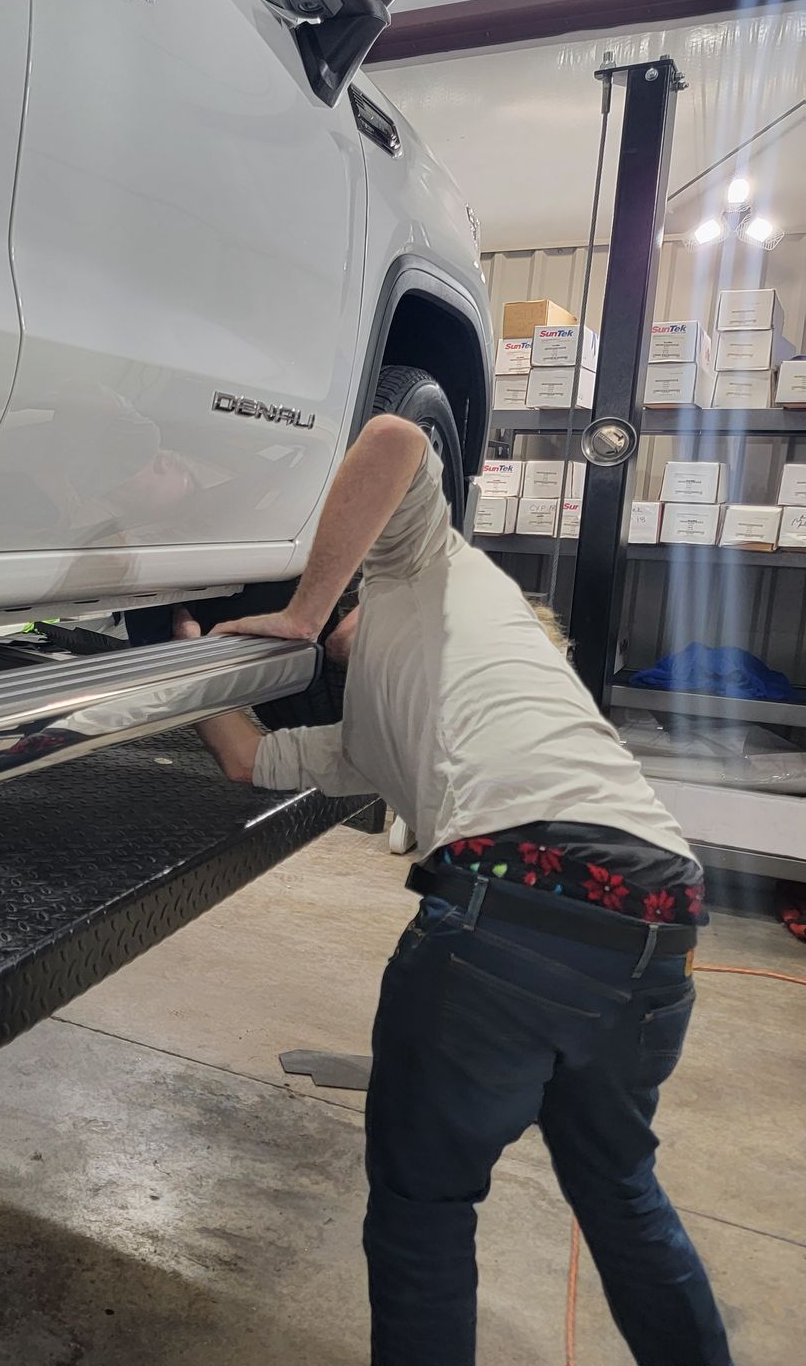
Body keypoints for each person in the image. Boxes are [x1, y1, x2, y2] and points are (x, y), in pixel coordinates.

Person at [176, 414, 731, 1366]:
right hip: (659, 921)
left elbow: (393, 437)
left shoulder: (427, 568)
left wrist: (303, 612)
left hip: (514, 904)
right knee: (621, 1191)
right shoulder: (377, 734)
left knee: (423, 1209)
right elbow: (247, 759)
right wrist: (190, 656)